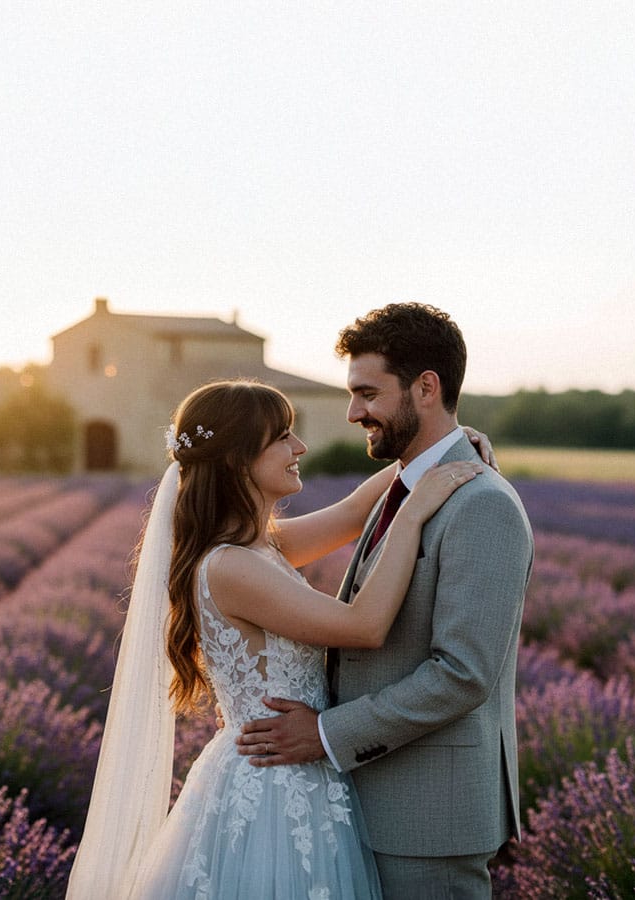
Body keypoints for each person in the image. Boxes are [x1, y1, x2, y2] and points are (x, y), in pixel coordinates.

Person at [66, 378, 492, 899]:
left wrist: (446, 444)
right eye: (282, 437)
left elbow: (356, 510)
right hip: (272, 791)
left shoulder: (259, 548)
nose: (300, 448)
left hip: (301, 772)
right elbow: (365, 625)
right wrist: (418, 506)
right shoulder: (232, 567)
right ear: (236, 460)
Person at [237, 303, 534, 898]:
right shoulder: (405, 487)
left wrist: (325, 734)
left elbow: (462, 674)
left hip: (429, 817)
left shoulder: (484, 507)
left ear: (427, 388)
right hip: (361, 799)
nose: (353, 412)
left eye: (368, 393)